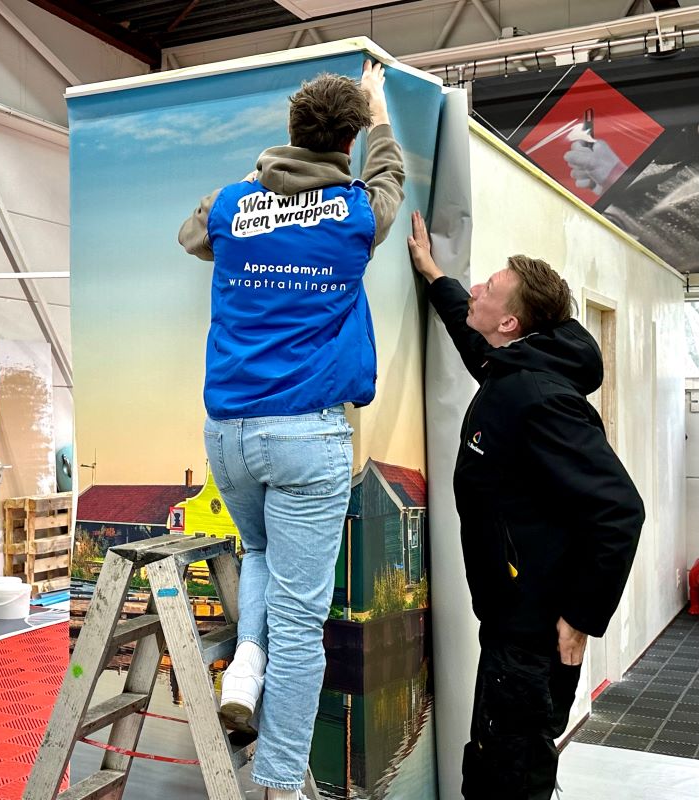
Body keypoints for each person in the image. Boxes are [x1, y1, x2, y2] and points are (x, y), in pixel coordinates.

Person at [178, 62, 404, 800]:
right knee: (304, 627)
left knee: (263, 553)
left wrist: (263, 182)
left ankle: (245, 666)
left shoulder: (233, 203)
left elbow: (191, 234)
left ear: (288, 134)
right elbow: (391, 176)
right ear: (348, 139)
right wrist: (380, 116)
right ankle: (278, 785)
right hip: (306, 438)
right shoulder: (356, 214)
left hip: (229, 435)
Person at [406, 211, 645, 800]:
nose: (478, 289)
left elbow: (619, 509)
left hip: (533, 631)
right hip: (513, 620)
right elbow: (473, 336)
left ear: (510, 322)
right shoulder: (515, 362)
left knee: (512, 777)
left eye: (487, 287)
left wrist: (583, 618)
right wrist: (435, 275)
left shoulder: (537, 398)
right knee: (492, 763)